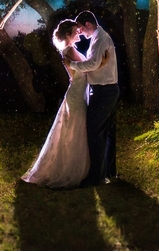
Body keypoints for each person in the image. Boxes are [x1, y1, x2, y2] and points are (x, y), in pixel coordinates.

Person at [21, 19, 97, 189]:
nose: (79, 33)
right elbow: (86, 69)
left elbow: (76, 72)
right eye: (76, 31)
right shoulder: (70, 50)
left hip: (77, 90)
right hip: (77, 93)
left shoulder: (68, 50)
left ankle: (75, 166)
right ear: (68, 34)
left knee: (73, 129)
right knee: (76, 129)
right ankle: (74, 170)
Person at [70, 10, 119, 187]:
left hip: (104, 91)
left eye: (81, 29)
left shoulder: (100, 39)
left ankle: (96, 177)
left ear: (88, 24)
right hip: (107, 89)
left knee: (96, 133)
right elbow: (97, 64)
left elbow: (93, 63)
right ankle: (109, 171)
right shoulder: (99, 38)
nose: (80, 33)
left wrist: (72, 64)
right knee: (107, 133)